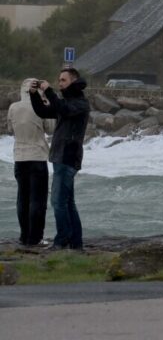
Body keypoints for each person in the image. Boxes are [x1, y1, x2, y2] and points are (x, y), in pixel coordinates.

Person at [30, 67, 90, 251]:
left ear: (73, 81)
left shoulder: (80, 103)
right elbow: (43, 111)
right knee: (67, 203)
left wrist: (48, 90)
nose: (59, 83)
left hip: (67, 157)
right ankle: (76, 243)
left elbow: (63, 109)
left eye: (63, 80)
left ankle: (62, 240)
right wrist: (34, 94)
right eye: (59, 80)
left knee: (58, 202)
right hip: (61, 157)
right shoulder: (67, 102)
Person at [8, 78, 54, 246]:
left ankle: (24, 236)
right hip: (37, 156)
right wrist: (47, 103)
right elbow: (50, 129)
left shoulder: (13, 107)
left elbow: (10, 130)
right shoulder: (40, 106)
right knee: (37, 200)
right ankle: (35, 238)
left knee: (22, 198)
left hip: (19, 157)